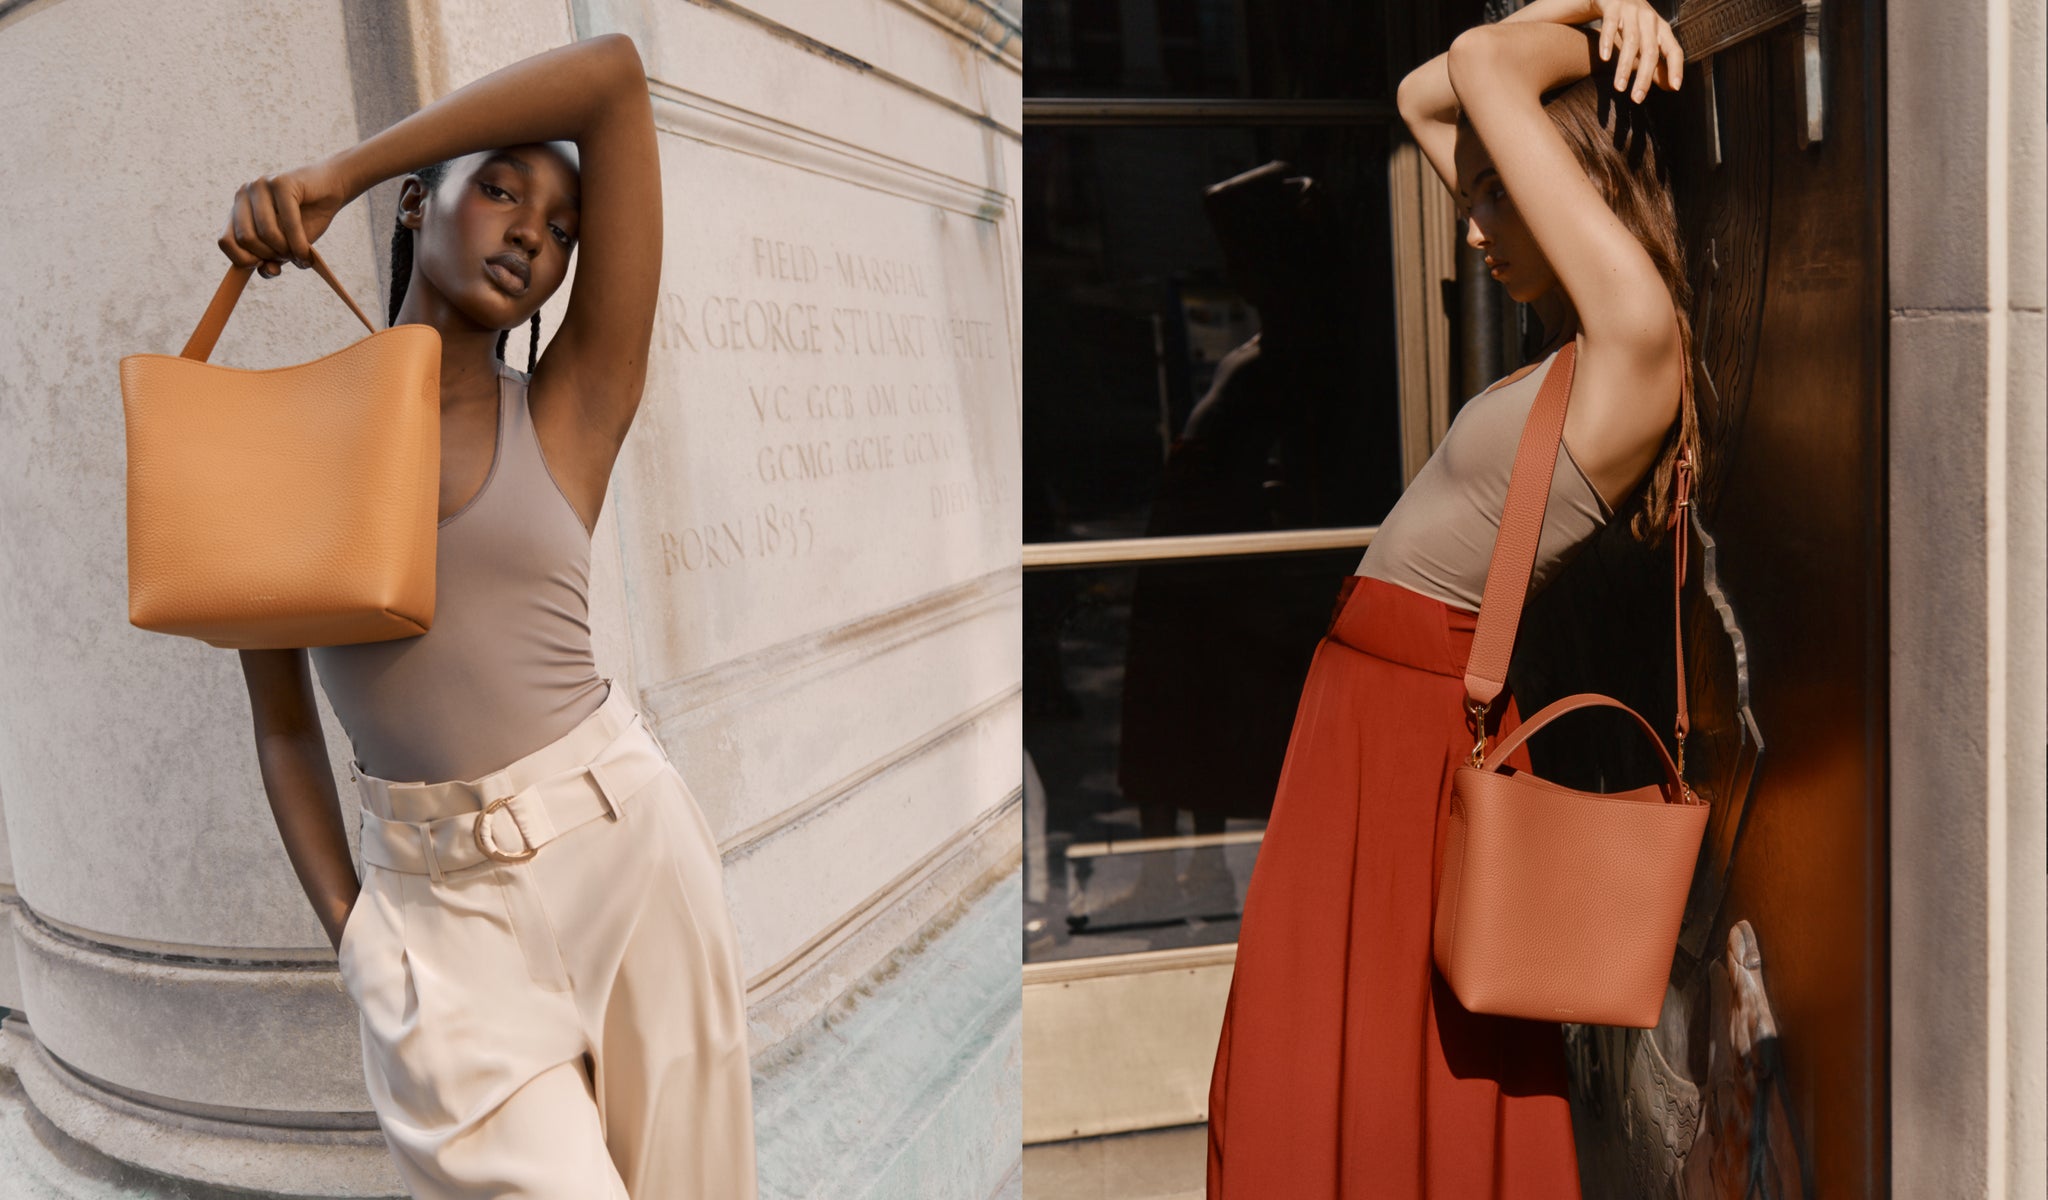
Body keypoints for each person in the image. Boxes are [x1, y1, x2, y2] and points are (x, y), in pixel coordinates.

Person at [221, 34, 758, 1199]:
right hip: (435, 927)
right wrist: (357, 940)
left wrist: (337, 172)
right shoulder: (282, 454)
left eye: (563, 223)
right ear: (425, 203)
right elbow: (280, 728)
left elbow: (612, 77)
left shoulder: (571, 408)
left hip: (628, 855)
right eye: (502, 187)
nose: (531, 232)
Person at [1205, 1, 1701, 1196]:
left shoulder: (1635, 339)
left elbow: (1474, 64)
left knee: (1389, 1066)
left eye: (1498, 190)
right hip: (1366, 728)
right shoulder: (1575, 335)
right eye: (1469, 195)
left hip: (1415, 724)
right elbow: (1422, 97)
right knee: (1321, 1057)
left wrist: (1604, 18)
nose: (1472, 224)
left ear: (1572, 181)